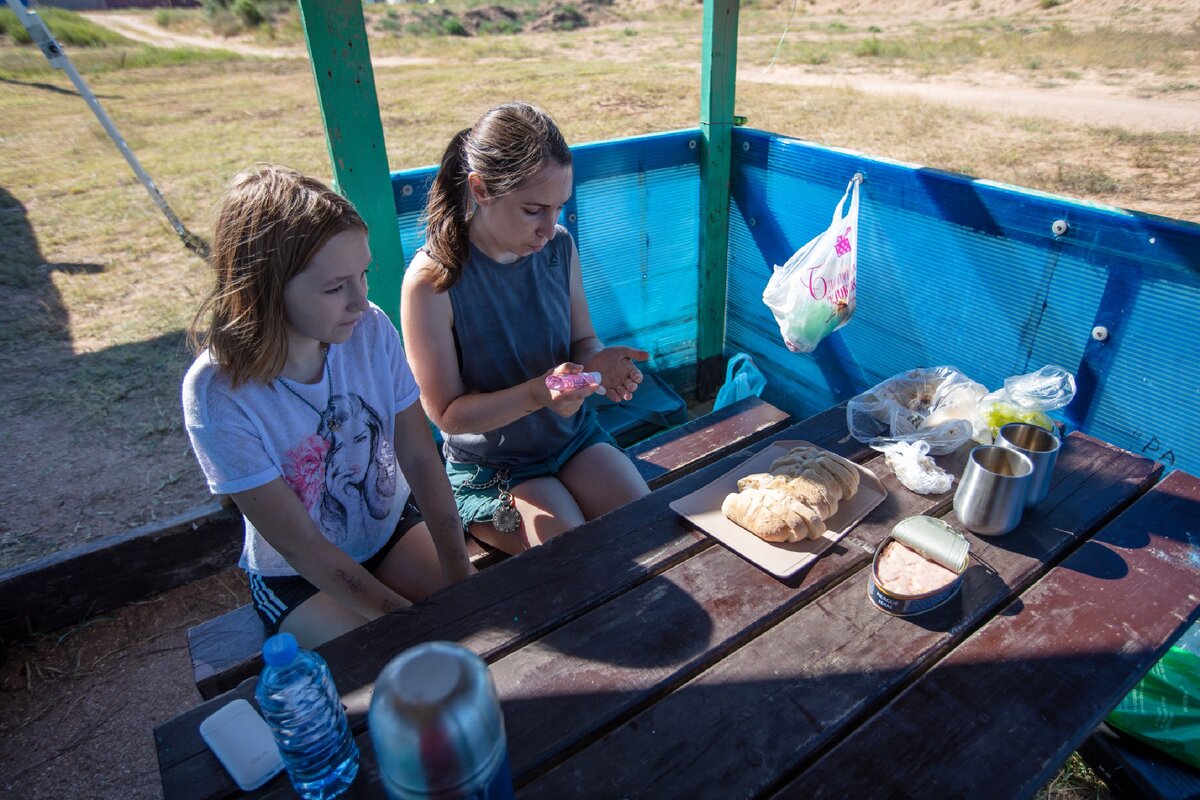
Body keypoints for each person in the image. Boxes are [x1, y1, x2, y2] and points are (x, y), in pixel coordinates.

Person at [182, 164, 473, 648]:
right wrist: (405, 624)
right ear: (266, 288)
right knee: (390, 661)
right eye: (336, 287)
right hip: (298, 574)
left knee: (477, 623)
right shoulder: (218, 392)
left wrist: (463, 574)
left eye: (363, 274)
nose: (361, 302)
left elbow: (421, 458)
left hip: (389, 528)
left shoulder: (371, 330)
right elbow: (300, 544)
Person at [401, 102, 652, 555]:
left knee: (646, 528)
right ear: (480, 189)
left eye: (558, 208)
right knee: (576, 555)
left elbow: (582, 339)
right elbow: (446, 414)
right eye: (534, 210)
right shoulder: (432, 280)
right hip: (492, 465)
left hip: (572, 438)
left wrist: (596, 363)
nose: (548, 228)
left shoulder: (560, 247)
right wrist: (539, 393)